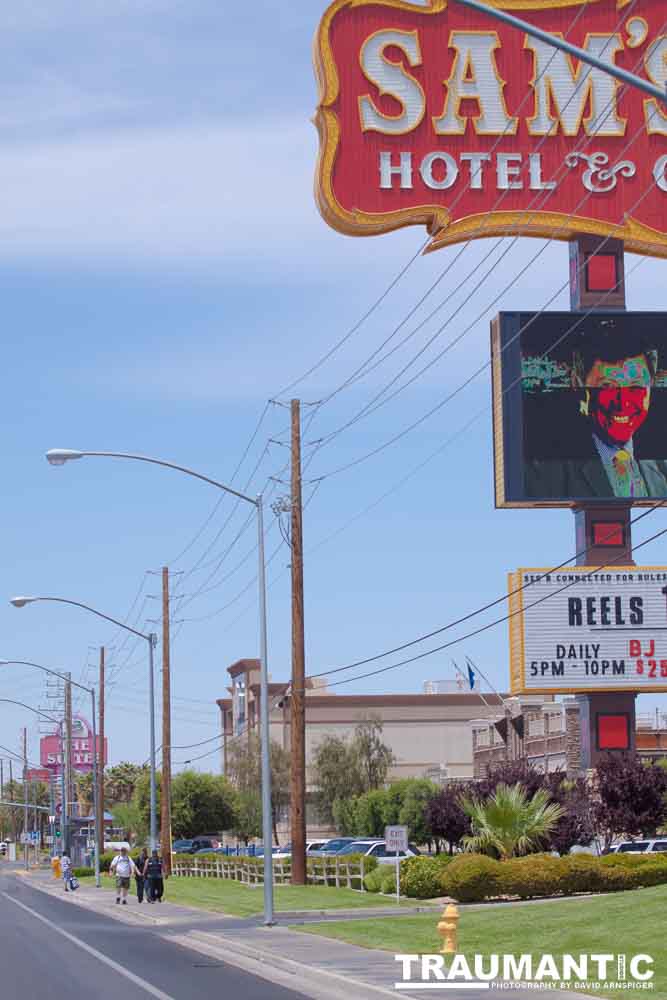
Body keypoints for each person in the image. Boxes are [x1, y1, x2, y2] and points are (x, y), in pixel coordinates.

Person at [525, 334, 667, 499]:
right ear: (577, 385)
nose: (623, 403)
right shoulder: (542, 473)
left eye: (635, 387)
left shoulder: (661, 466)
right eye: (607, 387)